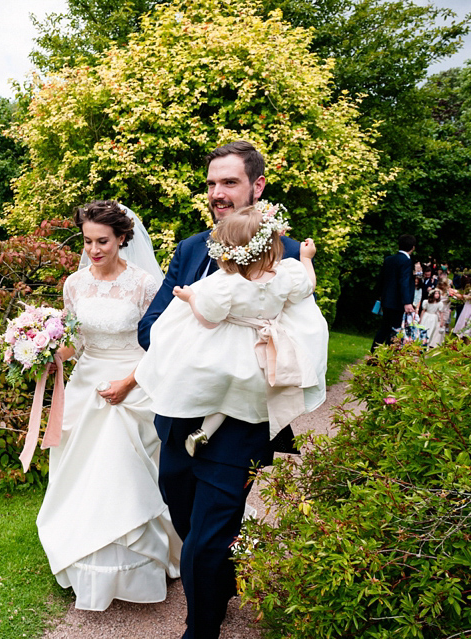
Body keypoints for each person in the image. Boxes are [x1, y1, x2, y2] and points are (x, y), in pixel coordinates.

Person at [138, 141, 319, 639]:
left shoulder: (286, 254)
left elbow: (305, 334)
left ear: (258, 187)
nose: (218, 193)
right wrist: (191, 337)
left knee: (207, 538)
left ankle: (201, 627)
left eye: (230, 183)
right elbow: (149, 326)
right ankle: (220, 578)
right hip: (179, 415)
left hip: (243, 421)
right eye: (212, 183)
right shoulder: (191, 248)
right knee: (183, 513)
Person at [36, 200, 180, 611]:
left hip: (132, 385)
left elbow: (159, 345)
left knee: (122, 473)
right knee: (81, 476)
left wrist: (128, 383)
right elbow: (74, 342)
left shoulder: (143, 285)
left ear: (122, 238)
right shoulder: (74, 284)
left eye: (103, 241)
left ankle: (138, 565)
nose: (94, 249)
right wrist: (41, 352)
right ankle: (85, 561)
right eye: (87, 241)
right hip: (85, 386)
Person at [135, 205, 327, 460]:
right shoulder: (287, 274)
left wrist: (190, 297)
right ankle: (216, 429)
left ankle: (203, 430)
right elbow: (308, 285)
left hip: (232, 352)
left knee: (220, 392)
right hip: (266, 352)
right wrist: (306, 258)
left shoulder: (227, 285)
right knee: (243, 394)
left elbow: (209, 319)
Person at [371, 234, 416, 351]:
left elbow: (381, 280)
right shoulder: (406, 261)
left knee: (384, 328)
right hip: (398, 302)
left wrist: (379, 296)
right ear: (413, 247)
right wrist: (407, 302)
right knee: (395, 330)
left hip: (386, 301)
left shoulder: (389, 259)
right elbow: (404, 282)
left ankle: (374, 353)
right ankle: (388, 357)